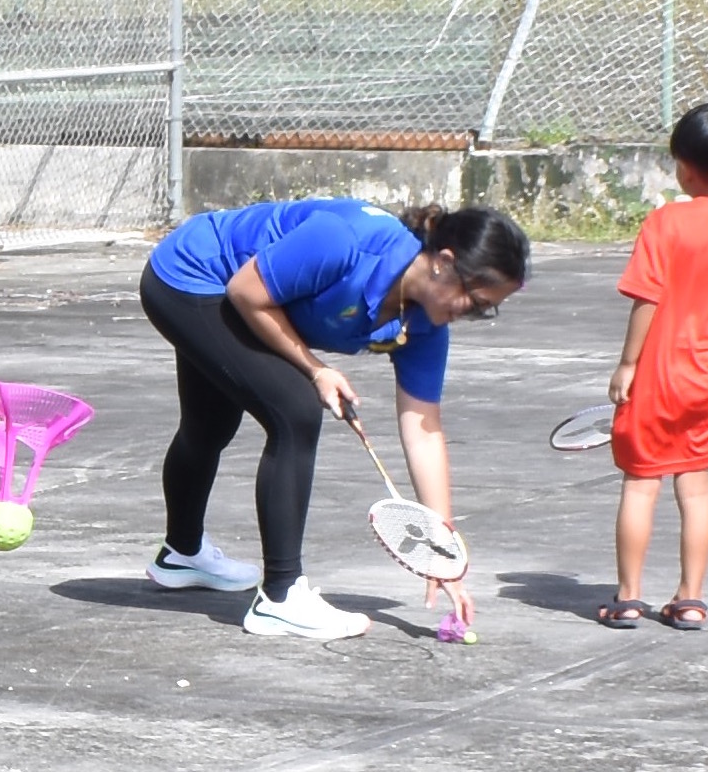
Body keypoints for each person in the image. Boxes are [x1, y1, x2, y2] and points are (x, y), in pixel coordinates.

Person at [134, 197, 530, 639]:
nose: (472, 313)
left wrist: (442, 553)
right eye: (475, 301)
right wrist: (316, 369)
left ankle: (182, 554)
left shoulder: (422, 327)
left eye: (486, 309)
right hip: (193, 275)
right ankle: (281, 598)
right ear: (444, 262)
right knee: (295, 411)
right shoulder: (343, 242)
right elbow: (248, 293)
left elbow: (423, 430)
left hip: (242, 292)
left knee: (209, 425)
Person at [600, 98, 708, 631]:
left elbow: (646, 300)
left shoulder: (666, 223)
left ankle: (629, 597)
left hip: (656, 376)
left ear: (688, 167)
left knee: (640, 484)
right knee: (695, 487)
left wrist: (627, 365)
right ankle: (690, 598)